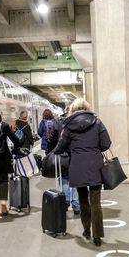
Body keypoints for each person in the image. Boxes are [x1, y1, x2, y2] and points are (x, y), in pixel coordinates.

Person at [54, 99, 111, 246]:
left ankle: (87, 230)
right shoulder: (97, 122)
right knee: (96, 202)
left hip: (77, 166)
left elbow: (60, 147)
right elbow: (106, 144)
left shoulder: (68, 125)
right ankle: (97, 236)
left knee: (83, 200)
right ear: (87, 108)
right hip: (95, 166)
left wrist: (72, 149)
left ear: (72, 109)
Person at [47, 105, 80, 215]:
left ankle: (65, 200)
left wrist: (50, 151)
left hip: (62, 154)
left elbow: (51, 138)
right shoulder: (78, 120)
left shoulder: (58, 121)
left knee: (64, 177)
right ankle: (76, 205)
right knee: (76, 179)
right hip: (76, 154)